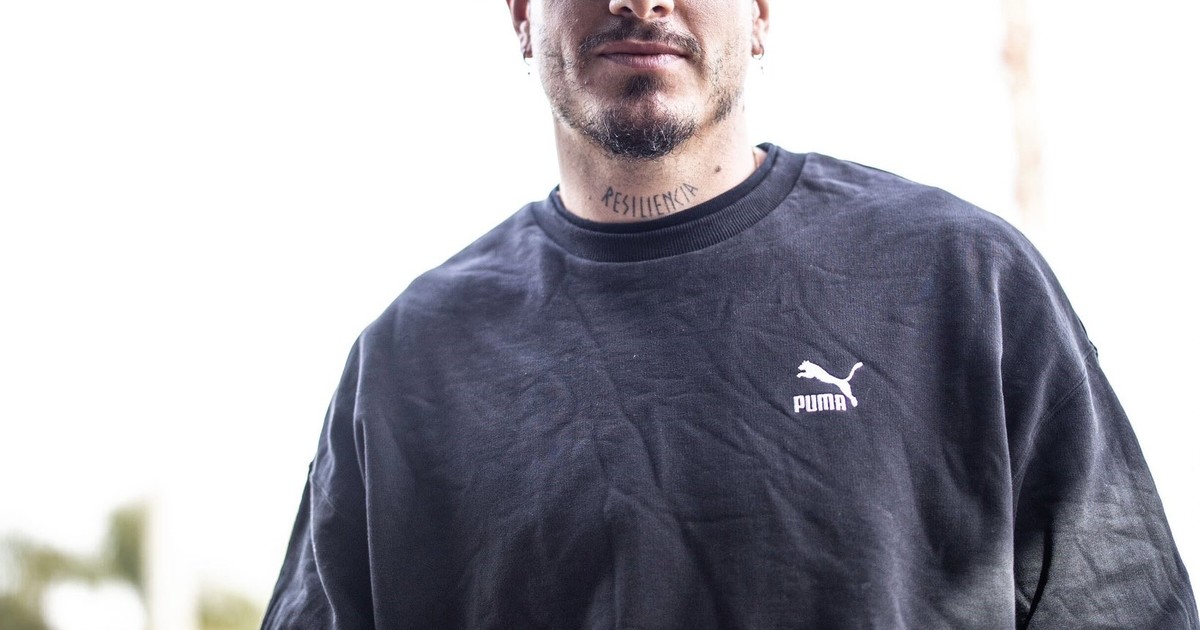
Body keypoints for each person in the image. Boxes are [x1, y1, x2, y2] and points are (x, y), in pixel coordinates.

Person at [262, 0, 1198, 627]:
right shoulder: (408, 365)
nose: (639, 0)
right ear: (519, 13)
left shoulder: (965, 284)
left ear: (760, 12)